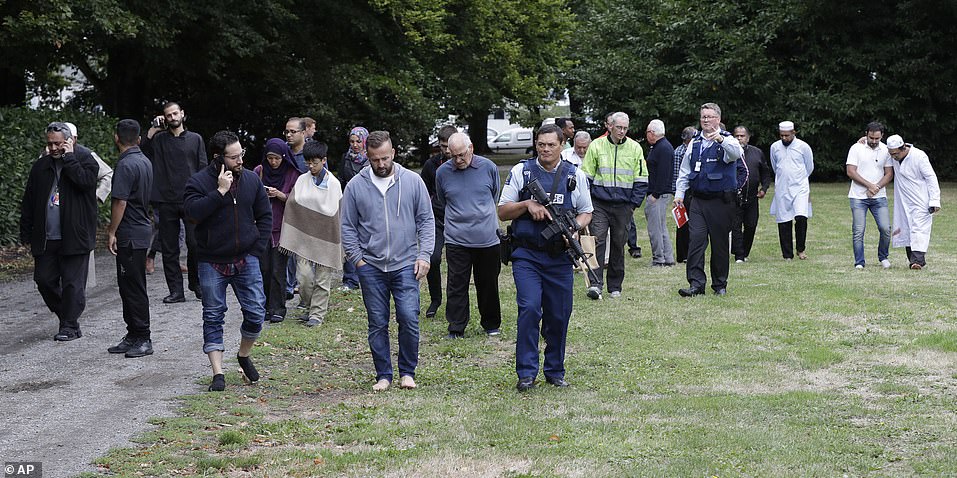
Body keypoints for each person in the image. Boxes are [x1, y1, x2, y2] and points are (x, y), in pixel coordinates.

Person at [498, 123, 593, 391]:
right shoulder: (521, 171)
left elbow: (587, 211)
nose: (546, 149)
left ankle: (555, 370)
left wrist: (573, 227)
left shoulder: (575, 175)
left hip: (559, 257)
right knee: (529, 309)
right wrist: (527, 204)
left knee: (559, 315)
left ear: (562, 145)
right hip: (527, 254)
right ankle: (526, 373)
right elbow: (503, 211)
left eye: (551, 145)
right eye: (541, 144)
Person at [340, 130, 434, 391]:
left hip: (405, 263)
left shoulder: (413, 182)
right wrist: (357, 260)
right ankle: (383, 374)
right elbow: (347, 225)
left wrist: (424, 255)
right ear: (367, 158)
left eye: (384, 158)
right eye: (374, 160)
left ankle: (407, 372)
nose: (381, 164)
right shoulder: (356, 186)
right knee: (377, 322)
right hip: (370, 266)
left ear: (393, 153)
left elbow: (426, 220)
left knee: (408, 317)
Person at [184, 130, 271, 392]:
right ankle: (218, 373)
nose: (240, 161)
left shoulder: (252, 180)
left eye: (241, 154)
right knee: (213, 314)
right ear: (217, 159)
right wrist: (219, 192)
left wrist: (256, 249)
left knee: (256, 312)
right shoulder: (198, 182)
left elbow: (265, 216)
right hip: (211, 261)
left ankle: (243, 354)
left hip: (246, 257)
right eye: (233, 157)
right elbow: (191, 214)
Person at [19, 122, 99, 341]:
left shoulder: (84, 160)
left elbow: (86, 183)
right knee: (44, 280)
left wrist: (69, 158)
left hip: (75, 235)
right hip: (47, 237)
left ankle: (69, 326)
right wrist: (26, 232)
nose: (53, 148)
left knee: (73, 284)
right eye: (49, 143)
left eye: (57, 143)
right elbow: (30, 200)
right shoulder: (41, 166)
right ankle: (67, 316)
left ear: (69, 141)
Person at [435, 132, 502, 339]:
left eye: (461, 155)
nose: (458, 160)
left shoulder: (488, 167)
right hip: (457, 239)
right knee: (456, 284)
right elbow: (442, 200)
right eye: (453, 156)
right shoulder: (442, 173)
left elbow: (495, 195)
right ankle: (456, 327)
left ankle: (491, 324)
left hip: (487, 238)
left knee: (488, 283)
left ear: (471, 148)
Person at [674, 103, 744, 297]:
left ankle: (720, 284)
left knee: (719, 243)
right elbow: (685, 171)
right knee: (695, 241)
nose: (706, 120)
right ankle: (696, 284)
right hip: (698, 200)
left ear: (718, 119)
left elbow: (737, 154)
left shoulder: (728, 140)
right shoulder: (694, 142)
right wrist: (679, 194)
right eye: (703, 116)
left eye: (710, 116)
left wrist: (720, 139)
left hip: (721, 201)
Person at [142, 101, 207, 303]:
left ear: (182, 114)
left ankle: (195, 282)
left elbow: (203, 166)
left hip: (190, 198)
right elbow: (143, 149)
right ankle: (176, 290)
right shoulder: (159, 139)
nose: (172, 117)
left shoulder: (196, 139)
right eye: (168, 115)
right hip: (165, 199)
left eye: (175, 113)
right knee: (170, 249)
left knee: (195, 244)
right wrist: (153, 128)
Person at [580, 112, 647, 299]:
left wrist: (633, 204)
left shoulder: (635, 148)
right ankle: (595, 284)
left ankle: (615, 286)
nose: (622, 131)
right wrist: (588, 203)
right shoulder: (596, 145)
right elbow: (586, 177)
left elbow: (642, 178)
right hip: (600, 203)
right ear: (610, 126)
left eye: (625, 128)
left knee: (619, 244)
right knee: (598, 241)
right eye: (619, 127)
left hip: (624, 205)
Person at [279, 141, 343, 327]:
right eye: (308, 163)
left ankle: (317, 314)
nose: (311, 166)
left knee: (323, 280)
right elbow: (293, 204)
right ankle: (307, 305)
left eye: (315, 162)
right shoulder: (302, 180)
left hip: (327, 238)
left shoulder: (334, 184)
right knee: (304, 278)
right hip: (304, 238)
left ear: (324, 160)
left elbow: (337, 212)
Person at [105, 119, 154, 358]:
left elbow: (120, 201)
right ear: (138, 138)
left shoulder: (125, 165)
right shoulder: (144, 160)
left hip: (131, 234)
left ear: (116, 137)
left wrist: (112, 231)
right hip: (141, 230)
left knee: (133, 286)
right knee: (128, 285)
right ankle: (133, 334)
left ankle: (143, 336)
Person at [253, 138, 303, 323]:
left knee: (278, 270)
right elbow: (248, 191)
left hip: (284, 228)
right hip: (262, 227)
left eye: (277, 158)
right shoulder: (259, 171)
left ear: (284, 157)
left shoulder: (293, 173)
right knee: (263, 268)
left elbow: (299, 199)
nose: (273, 162)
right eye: (270, 158)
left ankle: (278, 308)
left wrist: (281, 195)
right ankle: (266, 306)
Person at [419, 125, 458, 318]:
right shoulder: (431, 165)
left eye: (449, 146)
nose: (447, 151)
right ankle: (435, 298)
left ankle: (455, 302)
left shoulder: (463, 162)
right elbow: (423, 194)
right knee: (433, 257)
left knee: (456, 262)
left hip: (458, 219)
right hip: (436, 218)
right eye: (443, 146)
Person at [886, 134, 940, 269]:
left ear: (903, 148)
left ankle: (917, 261)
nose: (893, 157)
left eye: (895, 154)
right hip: (903, 201)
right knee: (906, 229)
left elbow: (931, 178)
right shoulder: (892, 156)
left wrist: (935, 200)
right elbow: (876, 147)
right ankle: (913, 260)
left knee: (919, 229)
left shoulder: (919, 156)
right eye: (891, 154)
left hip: (921, 200)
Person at [846, 122, 894, 269]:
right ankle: (859, 262)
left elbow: (889, 173)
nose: (874, 141)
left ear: (882, 136)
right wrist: (870, 185)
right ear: (866, 134)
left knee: (885, 228)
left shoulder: (886, 150)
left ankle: (883, 257)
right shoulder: (856, 148)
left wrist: (877, 187)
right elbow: (851, 171)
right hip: (858, 197)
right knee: (858, 230)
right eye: (871, 138)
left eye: (877, 139)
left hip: (879, 196)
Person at [769, 120, 813, 260]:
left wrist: (799, 179)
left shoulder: (803, 147)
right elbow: (775, 166)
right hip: (782, 188)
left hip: (800, 187)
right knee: (783, 220)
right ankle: (787, 254)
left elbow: (809, 166)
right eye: (782, 135)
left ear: (794, 133)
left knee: (801, 217)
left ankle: (801, 249)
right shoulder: (775, 147)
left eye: (787, 135)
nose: (784, 138)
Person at [731, 125, 771, 263]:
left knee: (751, 225)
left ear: (748, 137)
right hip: (734, 197)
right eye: (737, 135)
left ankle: (745, 251)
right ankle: (739, 255)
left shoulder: (757, 153)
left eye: (742, 136)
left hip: (752, 197)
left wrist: (764, 188)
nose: (740, 138)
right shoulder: (730, 153)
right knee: (735, 226)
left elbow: (765, 173)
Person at [338, 126, 370, 292]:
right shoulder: (346, 158)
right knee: (350, 238)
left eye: (358, 141)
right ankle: (350, 279)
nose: (355, 144)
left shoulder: (371, 159)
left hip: (367, 202)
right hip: (349, 201)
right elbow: (341, 180)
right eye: (352, 141)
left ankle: (366, 274)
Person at [643, 119, 676, 267]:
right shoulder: (662, 147)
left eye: (647, 132)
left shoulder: (662, 148)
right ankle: (668, 257)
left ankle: (659, 259)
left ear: (652, 133)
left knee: (654, 228)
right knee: (661, 227)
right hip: (662, 193)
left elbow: (663, 174)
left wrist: (655, 194)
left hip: (658, 194)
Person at [673, 126, 697, 263]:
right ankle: (683, 255)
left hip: (693, 190)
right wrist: (678, 194)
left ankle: (690, 252)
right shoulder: (680, 152)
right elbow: (678, 175)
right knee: (683, 224)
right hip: (684, 192)